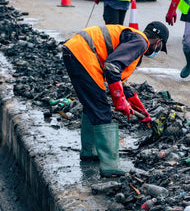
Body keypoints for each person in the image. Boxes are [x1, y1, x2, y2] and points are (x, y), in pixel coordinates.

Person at [62, 22, 169, 177]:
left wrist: (140, 110)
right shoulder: (141, 42)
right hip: (83, 55)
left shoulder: (134, 39)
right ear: (158, 42)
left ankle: (89, 151)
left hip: (75, 52)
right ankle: (110, 165)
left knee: (92, 105)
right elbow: (112, 67)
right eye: (159, 47)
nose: (156, 50)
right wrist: (119, 101)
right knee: (101, 109)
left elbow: (120, 82)